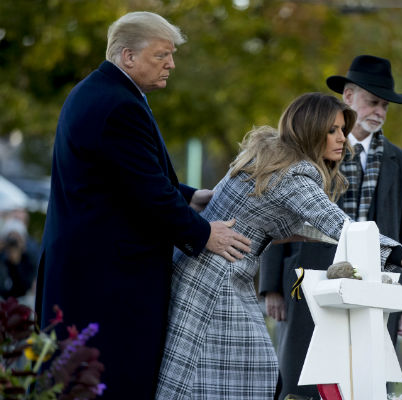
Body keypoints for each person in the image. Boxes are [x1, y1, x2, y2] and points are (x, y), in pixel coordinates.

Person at [155, 92, 402, 400]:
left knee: (229, 378)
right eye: (332, 130)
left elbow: (295, 226)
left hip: (208, 273)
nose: (343, 140)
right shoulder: (293, 175)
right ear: (310, 129)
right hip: (213, 282)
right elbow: (343, 229)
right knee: (231, 378)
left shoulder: (269, 157)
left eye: (342, 130)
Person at [35, 12, 251, 400]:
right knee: (112, 384)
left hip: (88, 275)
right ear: (127, 56)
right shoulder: (118, 105)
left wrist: (188, 196)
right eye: (161, 55)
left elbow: (122, 177)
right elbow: (146, 193)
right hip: (107, 285)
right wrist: (204, 234)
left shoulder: (100, 92)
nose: (171, 64)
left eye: (171, 55)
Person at [259, 54, 402, 398]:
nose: (380, 111)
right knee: (302, 375)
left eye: (385, 106)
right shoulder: (312, 147)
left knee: (370, 375)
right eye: (372, 102)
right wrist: (271, 284)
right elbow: (277, 214)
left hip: (376, 280)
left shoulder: (400, 161)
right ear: (348, 97)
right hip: (309, 274)